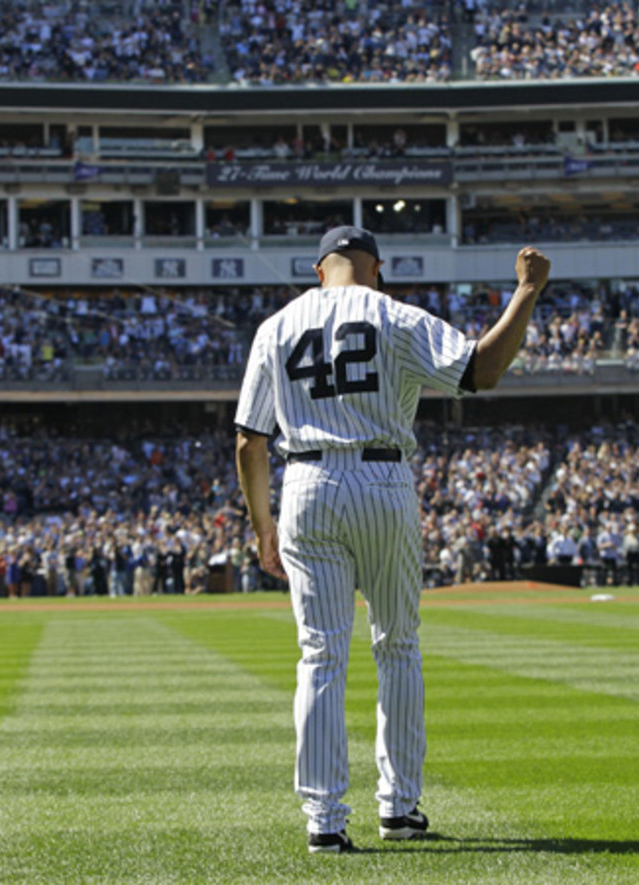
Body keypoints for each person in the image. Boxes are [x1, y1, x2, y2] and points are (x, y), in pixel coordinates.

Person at [234, 225, 551, 853]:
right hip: (381, 480)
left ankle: (324, 819)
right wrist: (526, 292)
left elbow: (249, 440)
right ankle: (399, 806)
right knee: (397, 646)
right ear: (375, 268)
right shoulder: (393, 314)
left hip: (304, 484)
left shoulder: (276, 325)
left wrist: (263, 527)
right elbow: (482, 370)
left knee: (320, 653)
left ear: (320, 269)